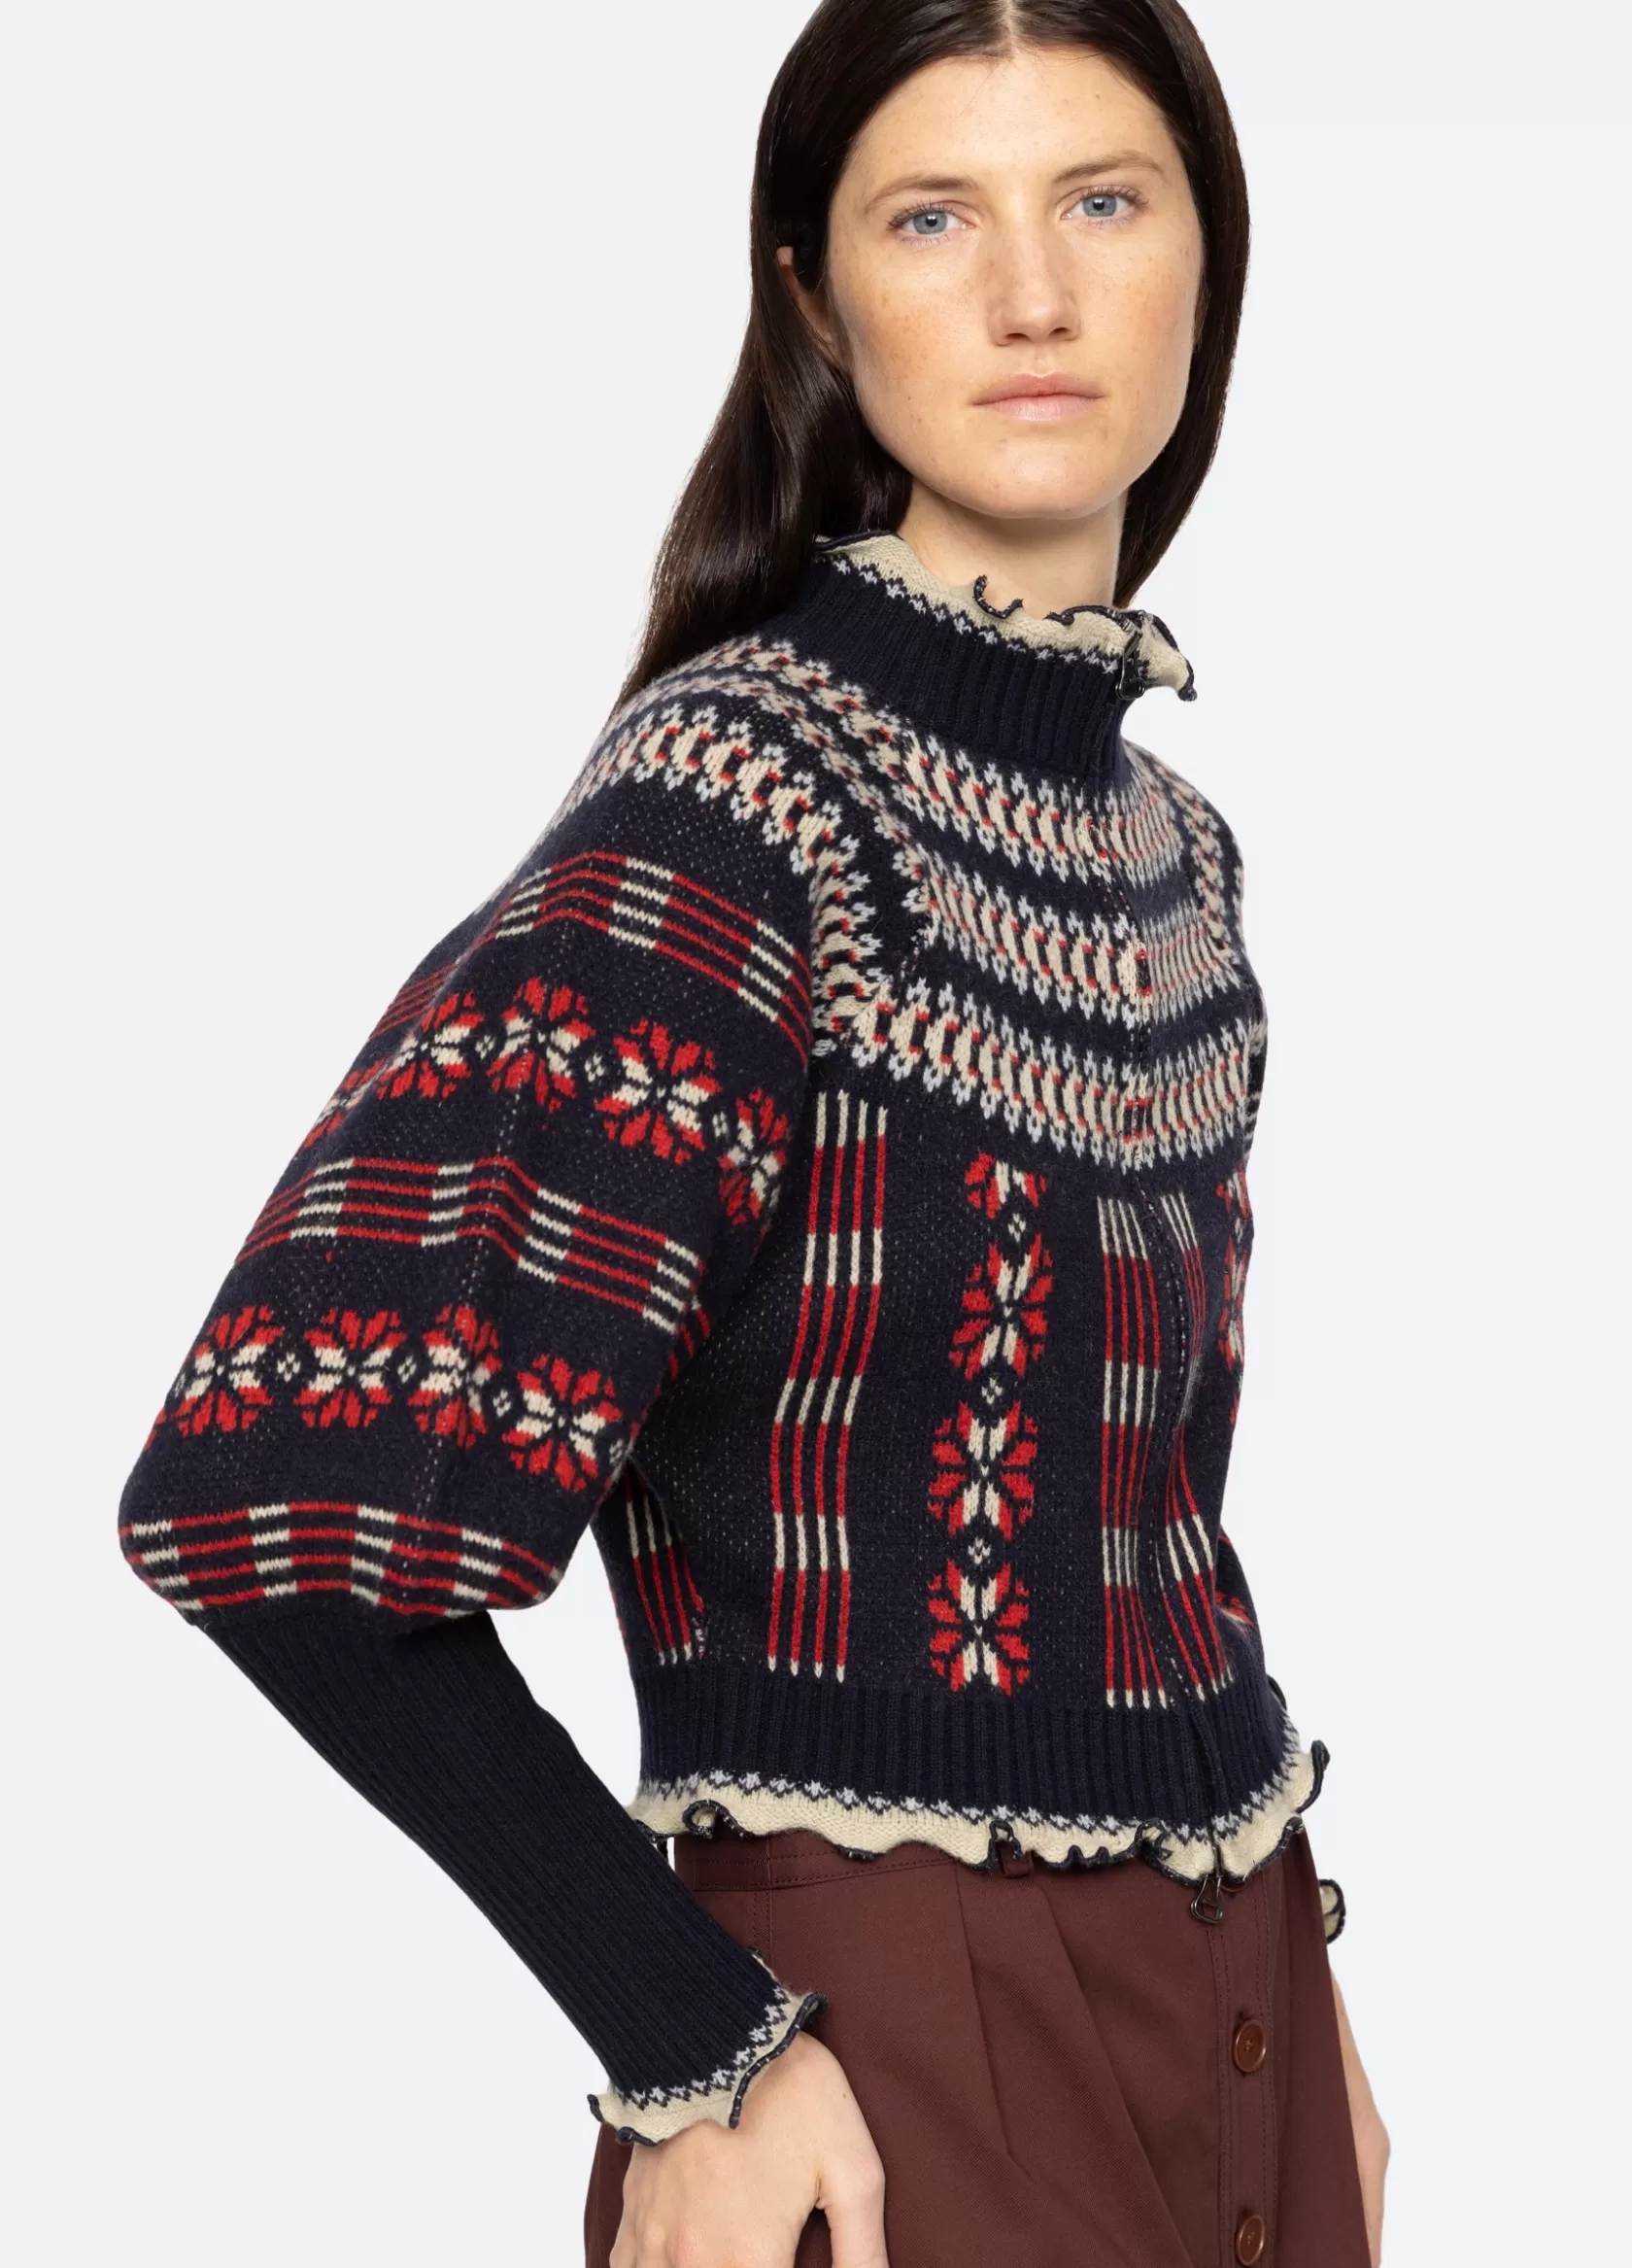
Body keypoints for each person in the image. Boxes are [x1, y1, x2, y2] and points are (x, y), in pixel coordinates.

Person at [118, 2, 1389, 2262]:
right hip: (886, 2049)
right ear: (815, 296)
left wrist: (1305, 1982)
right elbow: (276, 1515)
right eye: (935, 219)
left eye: (1104, 201)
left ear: (1210, 251)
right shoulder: (739, 813)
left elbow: (1146, 1527)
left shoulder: (1179, 858)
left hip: (1243, 2005)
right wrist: (688, 2029)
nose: (1033, 293)